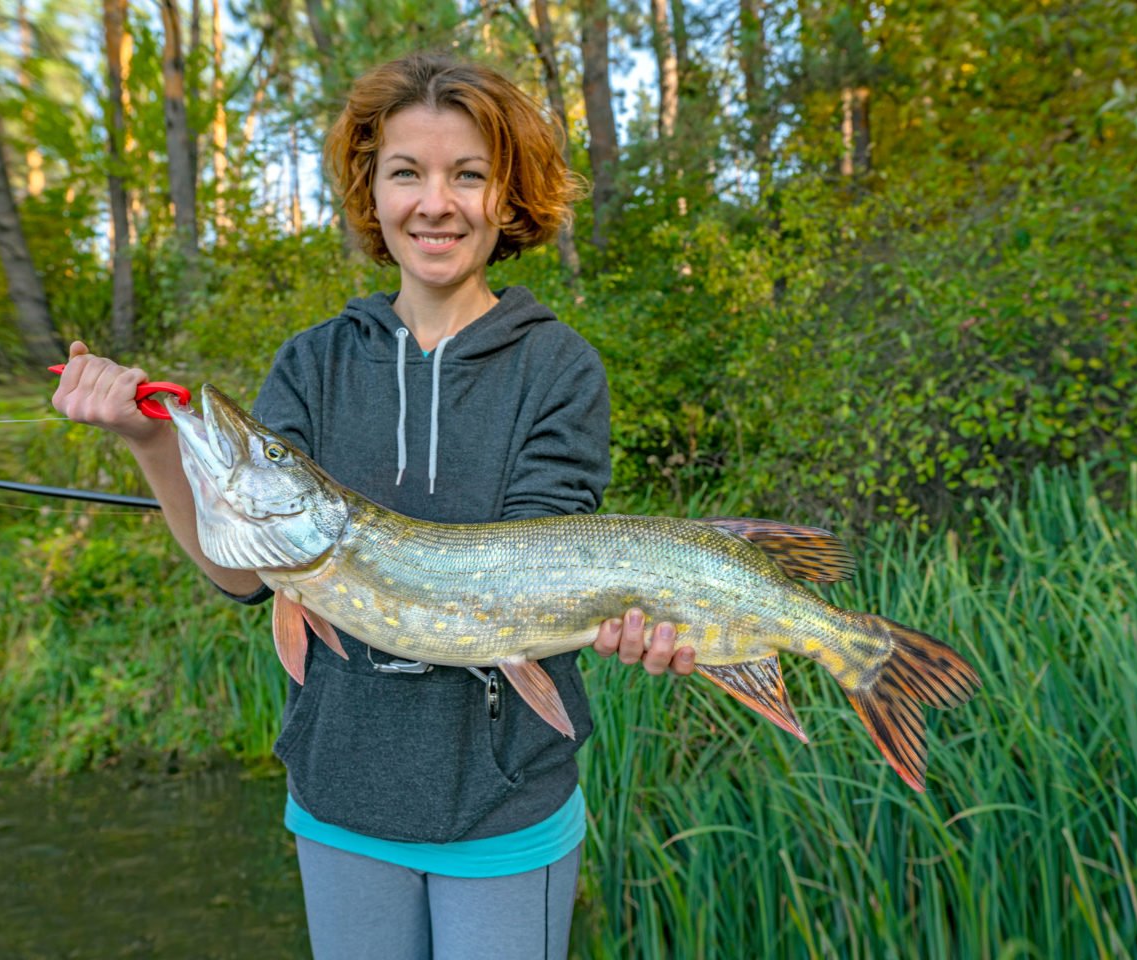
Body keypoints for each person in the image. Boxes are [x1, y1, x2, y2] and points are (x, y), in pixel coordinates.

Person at [53, 52, 695, 960]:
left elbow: (536, 572)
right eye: (407, 173)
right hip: (341, 800)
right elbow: (245, 571)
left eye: (467, 174)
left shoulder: (557, 369)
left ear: (508, 197)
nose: (435, 202)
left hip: (505, 803)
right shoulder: (313, 363)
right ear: (372, 192)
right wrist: (153, 442)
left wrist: (633, 622)